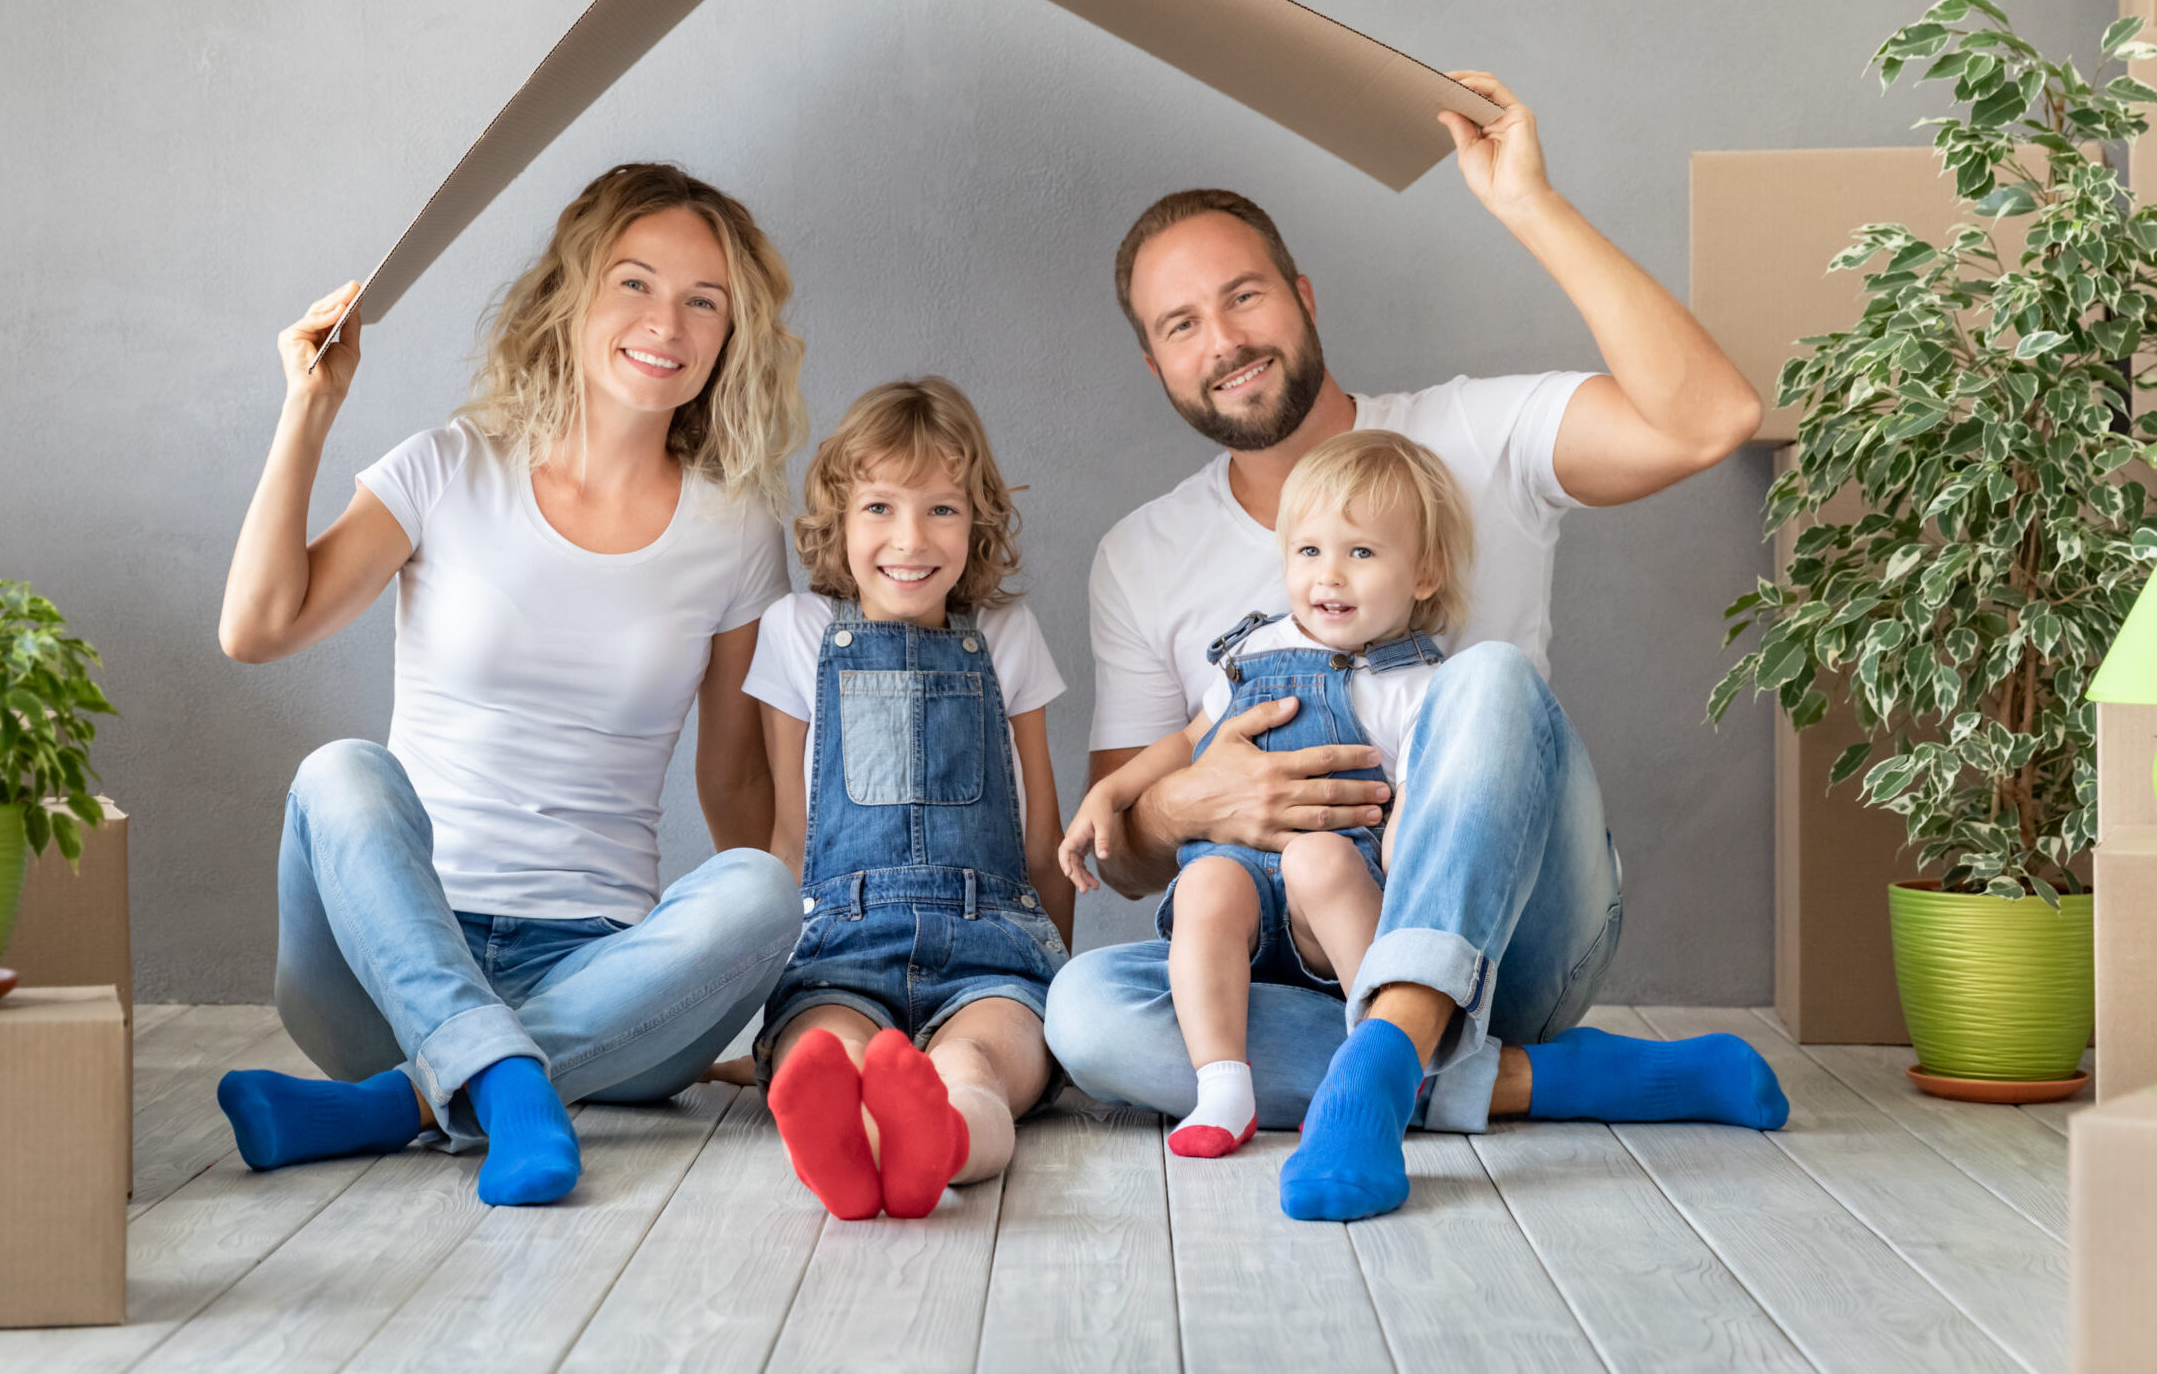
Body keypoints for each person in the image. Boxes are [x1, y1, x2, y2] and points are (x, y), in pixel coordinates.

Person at [1046, 73, 1789, 1224]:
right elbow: (1128, 853)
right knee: (1090, 1012)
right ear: (1155, 363)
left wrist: (1527, 204)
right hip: (1296, 942)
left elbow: (1710, 419)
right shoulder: (1141, 555)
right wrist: (1199, 803)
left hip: (1526, 932)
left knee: (1483, 675)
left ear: (1299, 294)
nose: (1225, 341)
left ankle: (1387, 1063)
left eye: (1243, 297)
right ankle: (1526, 1076)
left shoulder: (1471, 434)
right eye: (1180, 324)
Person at [211, 162, 810, 1207]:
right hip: (386, 965)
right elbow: (257, 629)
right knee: (340, 771)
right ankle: (486, 1077)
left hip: (602, 981)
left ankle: (401, 1102)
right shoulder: (448, 468)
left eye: (701, 300)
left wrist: (750, 981)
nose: (665, 320)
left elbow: (738, 794)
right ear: (570, 298)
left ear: (727, 337)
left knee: (763, 890)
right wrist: (309, 408)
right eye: (633, 282)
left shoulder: (734, 536)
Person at [1062, 430, 1469, 1159]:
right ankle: (1223, 1083)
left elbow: (1417, 810)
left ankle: (1377, 1058)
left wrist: (1407, 890)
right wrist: (1112, 792)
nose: (1329, 576)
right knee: (1207, 879)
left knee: (1318, 858)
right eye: (1309, 551)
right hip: (1247, 900)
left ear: (1425, 572)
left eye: (1362, 553)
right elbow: (1188, 741)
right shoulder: (1254, 649)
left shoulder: (1418, 685)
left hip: (1337, 902)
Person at [743, 378, 1077, 1220]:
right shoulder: (796, 629)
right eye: (880, 508)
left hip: (993, 946)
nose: (910, 539)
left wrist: (1056, 982)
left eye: (941, 510)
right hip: (840, 939)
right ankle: (849, 1139)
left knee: (979, 1068)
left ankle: (945, 1143)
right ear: (839, 520)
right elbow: (790, 834)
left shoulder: (1007, 634)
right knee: (823, 1048)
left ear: (977, 522)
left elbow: (1045, 838)